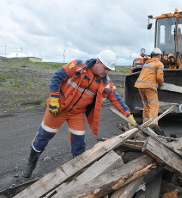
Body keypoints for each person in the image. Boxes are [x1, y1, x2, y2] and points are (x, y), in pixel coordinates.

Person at [22, 50, 136, 178]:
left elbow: (117, 100)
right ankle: (30, 164)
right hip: (58, 108)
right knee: (43, 136)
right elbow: (56, 77)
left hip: (77, 113)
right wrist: (54, 99)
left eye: (109, 70)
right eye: (105, 68)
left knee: (79, 141)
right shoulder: (77, 66)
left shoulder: (106, 83)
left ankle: (78, 171)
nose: (107, 72)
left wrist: (129, 116)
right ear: (98, 62)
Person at [134, 47, 164, 125]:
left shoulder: (147, 63)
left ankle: (145, 124)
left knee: (146, 106)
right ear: (159, 56)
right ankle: (153, 126)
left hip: (140, 86)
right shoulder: (159, 64)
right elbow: (159, 77)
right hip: (149, 87)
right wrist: (161, 84)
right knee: (153, 106)